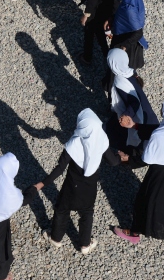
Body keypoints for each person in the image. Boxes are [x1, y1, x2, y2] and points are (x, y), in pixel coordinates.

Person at [40, 109, 120, 254]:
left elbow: (60, 168)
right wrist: (120, 156)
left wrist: (43, 183)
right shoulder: (100, 139)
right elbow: (113, 162)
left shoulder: (74, 142)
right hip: (89, 187)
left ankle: (56, 238)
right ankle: (85, 244)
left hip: (71, 186)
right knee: (87, 213)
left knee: (62, 209)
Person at [113, 99, 164, 244]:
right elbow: (158, 129)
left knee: (145, 199)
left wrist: (127, 159)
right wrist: (135, 126)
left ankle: (135, 232)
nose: (161, 110)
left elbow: (146, 159)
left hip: (159, 173)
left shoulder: (160, 136)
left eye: (163, 108)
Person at [104, 48, 159, 153]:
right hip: (148, 114)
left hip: (136, 116)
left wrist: (126, 115)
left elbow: (134, 102)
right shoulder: (130, 71)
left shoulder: (120, 81)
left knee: (135, 139)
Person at [110, 0, 147, 70]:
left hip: (125, 41)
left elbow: (138, 33)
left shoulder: (129, 9)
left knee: (119, 67)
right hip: (131, 41)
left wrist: (124, 45)